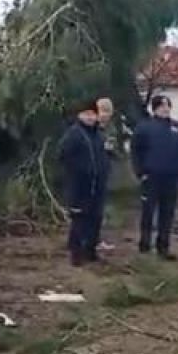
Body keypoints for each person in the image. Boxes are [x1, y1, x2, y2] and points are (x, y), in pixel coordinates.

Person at [131, 95, 178, 259]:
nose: (166, 108)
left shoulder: (176, 128)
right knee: (148, 212)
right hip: (151, 177)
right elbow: (136, 152)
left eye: (168, 105)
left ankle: (163, 247)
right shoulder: (144, 127)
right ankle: (145, 246)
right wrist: (140, 172)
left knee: (167, 214)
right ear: (154, 109)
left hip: (171, 179)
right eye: (162, 106)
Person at [58, 98, 107, 266]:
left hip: (97, 185)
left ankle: (90, 252)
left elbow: (102, 157)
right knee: (80, 221)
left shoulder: (98, 135)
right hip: (79, 186)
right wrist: (77, 171)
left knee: (95, 220)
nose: (90, 117)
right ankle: (76, 255)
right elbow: (63, 155)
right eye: (86, 114)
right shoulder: (74, 134)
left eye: (93, 114)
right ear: (80, 115)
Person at [94, 97, 116, 253]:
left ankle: (97, 239)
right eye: (103, 111)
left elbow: (112, 150)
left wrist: (111, 149)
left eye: (108, 112)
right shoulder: (91, 130)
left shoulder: (109, 130)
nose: (105, 115)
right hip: (91, 174)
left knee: (100, 209)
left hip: (103, 172)